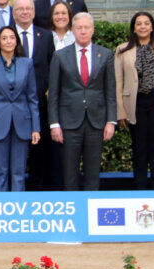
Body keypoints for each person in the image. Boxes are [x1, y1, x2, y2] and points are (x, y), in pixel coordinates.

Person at [48, 12, 116, 190]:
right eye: (79, 28)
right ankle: (73, 204)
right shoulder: (60, 56)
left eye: (87, 27)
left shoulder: (105, 54)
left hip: (96, 121)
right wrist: (54, 124)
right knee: (69, 173)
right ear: (72, 30)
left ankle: (90, 204)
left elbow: (110, 91)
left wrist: (111, 121)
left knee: (93, 172)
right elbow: (54, 93)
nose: (83, 31)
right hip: (69, 122)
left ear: (93, 30)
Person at [115, 12, 154, 190]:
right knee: (139, 149)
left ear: (152, 27)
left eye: (146, 23)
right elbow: (118, 82)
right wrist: (120, 111)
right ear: (134, 28)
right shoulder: (122, 50)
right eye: (139, 24)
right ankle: (140, 191)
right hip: (135, 104)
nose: (142, 26)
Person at [0, 26, 40, 192]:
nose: (8, 41)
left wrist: (36, 128)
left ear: (17, 41)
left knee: (19, 171)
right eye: (4, 38)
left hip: (22, 121)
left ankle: (18, 203)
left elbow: (32, 97)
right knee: (0, 171)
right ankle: (0, 203)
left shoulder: (26, 64)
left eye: (12, 37)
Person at [12, 0, 56, 190]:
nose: (24, 12)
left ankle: (38, 188)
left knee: (40, 149)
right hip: (14, 102)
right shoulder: (6, 35)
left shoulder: (45, 36)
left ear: (34, 12)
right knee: (16, 150)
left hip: (40, 102)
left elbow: (52, 65)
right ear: (14, 13)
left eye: (28, 8)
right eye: (20, 9)